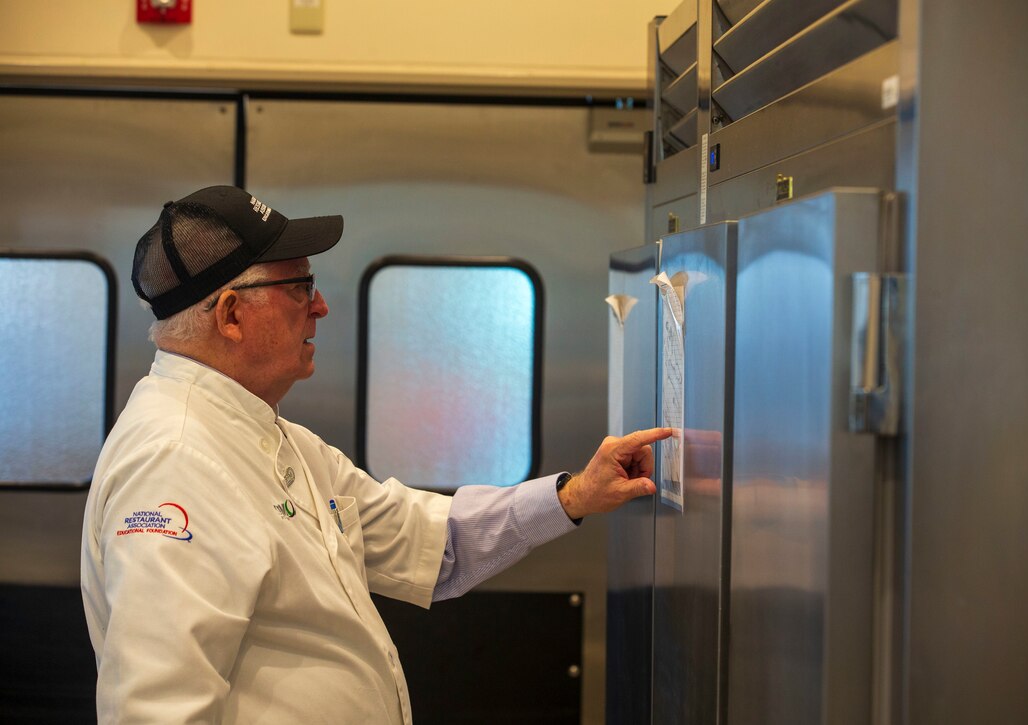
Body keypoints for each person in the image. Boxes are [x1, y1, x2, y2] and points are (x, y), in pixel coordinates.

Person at [80, 185, 671, 724]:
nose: (320, 307)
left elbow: (429, 542)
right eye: (299, 288)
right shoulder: (178, 460)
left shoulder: (275, 440)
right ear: (232, 314)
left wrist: (573, 496)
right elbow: (155, 709)